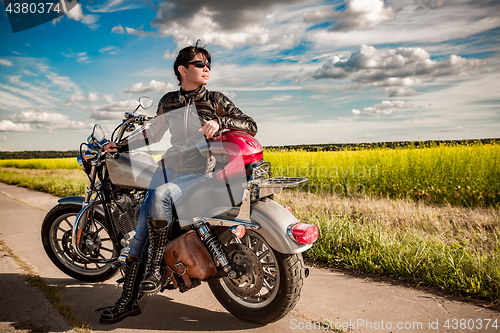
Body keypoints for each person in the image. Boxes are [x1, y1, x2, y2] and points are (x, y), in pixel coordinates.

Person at [98, 41, 257, 324]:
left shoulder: (215, 99)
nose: (206, 68)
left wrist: (221, 124)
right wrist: (120, 147)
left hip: (198, 172)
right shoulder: (169, 100)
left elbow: (250, 124)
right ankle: (129, 299)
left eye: (208, 64)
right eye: (200, 64)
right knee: (139, 235)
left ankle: (150, 276)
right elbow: (153, 133)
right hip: (168, 167)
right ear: (182, 70)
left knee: (159, 197)